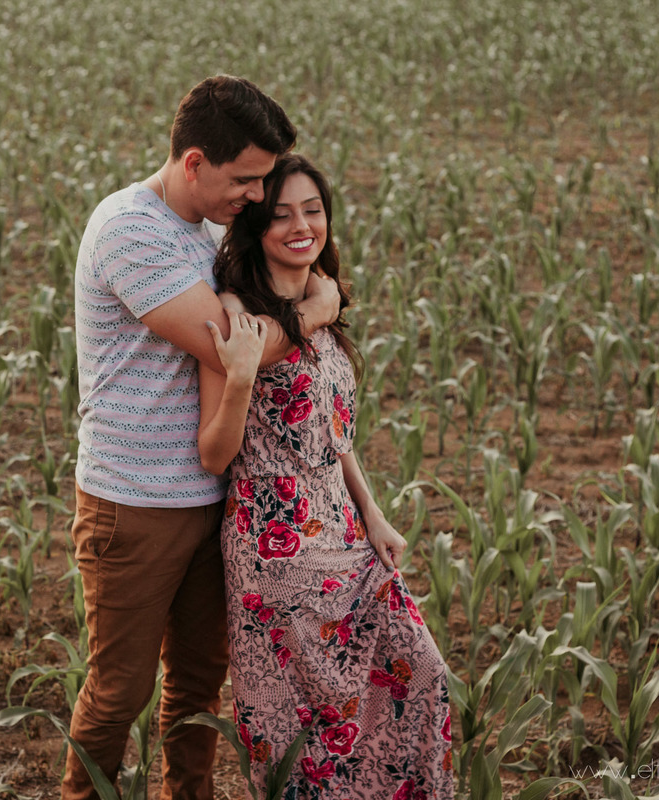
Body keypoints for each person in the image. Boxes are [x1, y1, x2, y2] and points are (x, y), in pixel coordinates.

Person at [68, 76, 341, 800]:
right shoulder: (130, 229)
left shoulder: (214, 229)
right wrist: (319, 309)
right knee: (119, 691)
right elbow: (234, 346)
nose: (257, 195)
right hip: (134, 505)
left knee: (197, 685)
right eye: (245, 179)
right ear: (194, 163)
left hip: (217, 496)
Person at [199, 154, 454, 799]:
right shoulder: (235, 315)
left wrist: (373, 512)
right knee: (309, 730)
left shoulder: (323, 301)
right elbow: (214, 455)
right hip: (275, 545)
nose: (300, 226)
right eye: (281, 214)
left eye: (312, 211)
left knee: (423, 674)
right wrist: (240, 377)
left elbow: (334, 433)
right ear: (256, 226)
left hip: (343, 529)